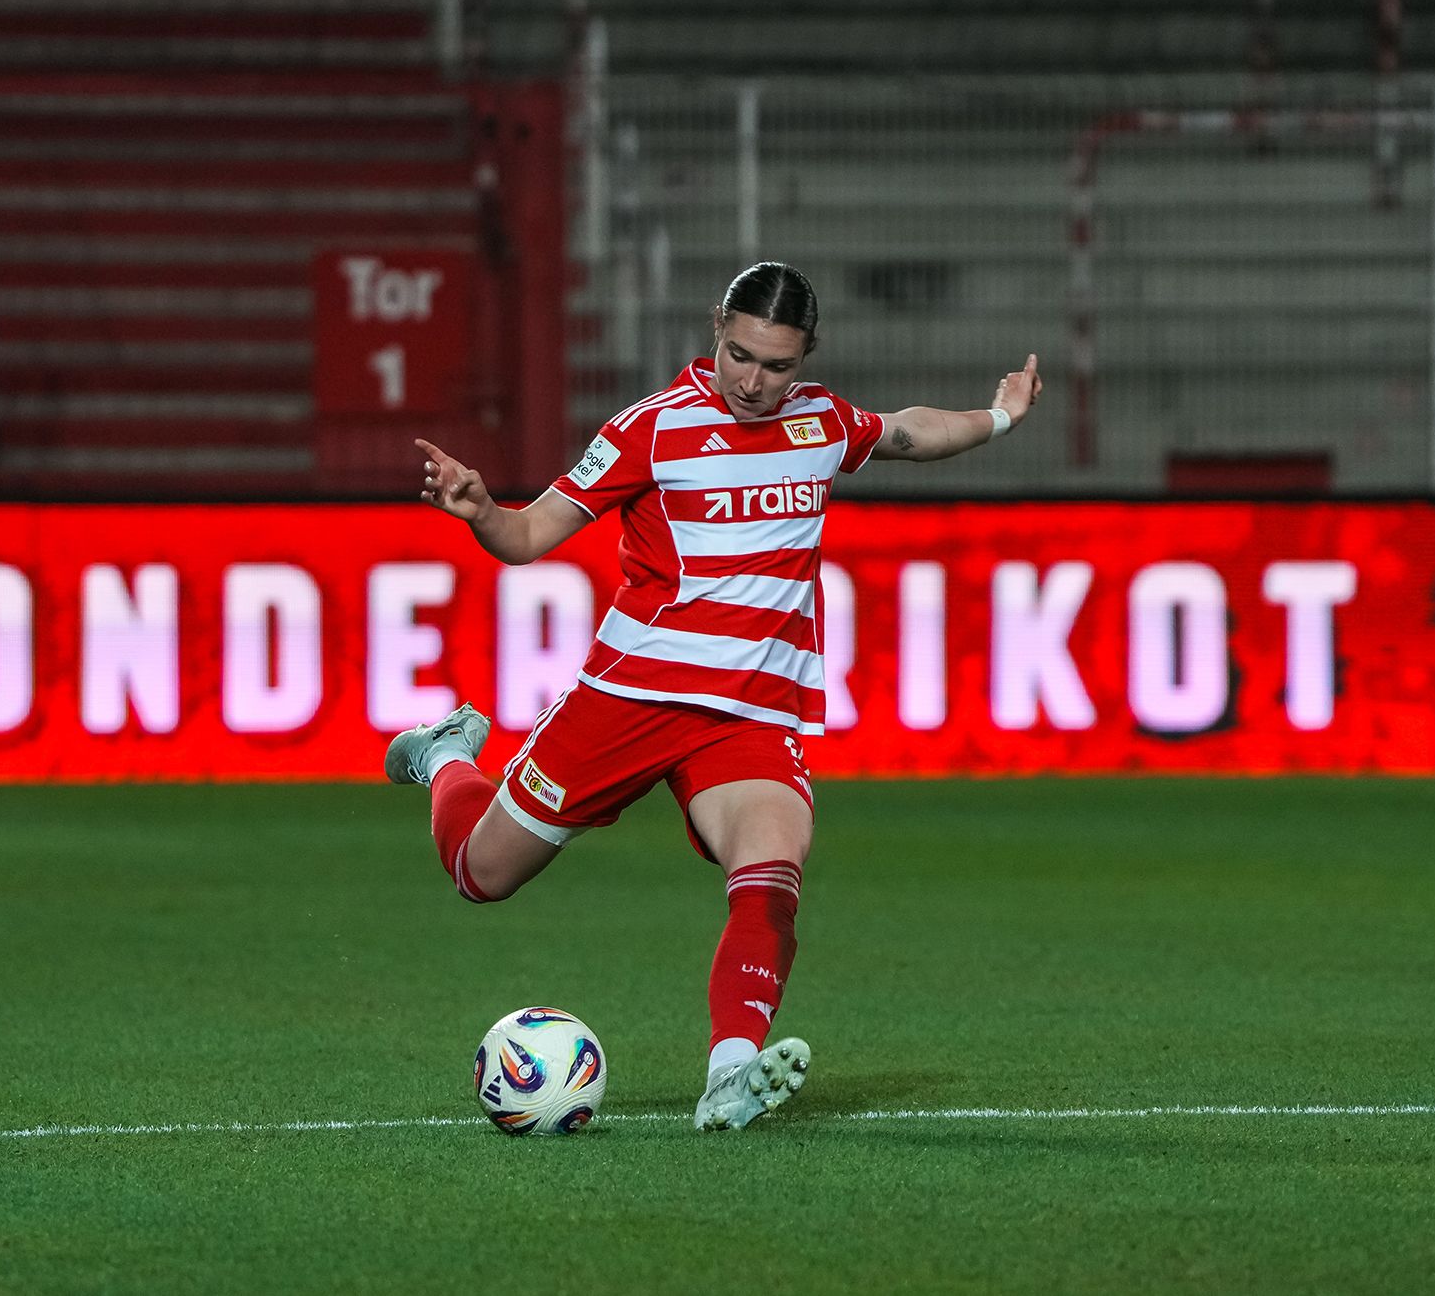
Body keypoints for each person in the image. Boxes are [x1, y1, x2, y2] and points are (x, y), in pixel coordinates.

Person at [385, 261, 1041, 1131]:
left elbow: (906, 432)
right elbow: (534, 531)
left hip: (747, 715)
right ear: (715, 329)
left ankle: (731, 1071)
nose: (754, 381)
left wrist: (998, 416)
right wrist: (482, 511)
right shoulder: (650, 431)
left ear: (806, 356)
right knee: (480, 871)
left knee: (773, 867)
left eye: (777, 365)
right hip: (628, 699)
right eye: (739, 355)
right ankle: (447, 752)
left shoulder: (822, 423)